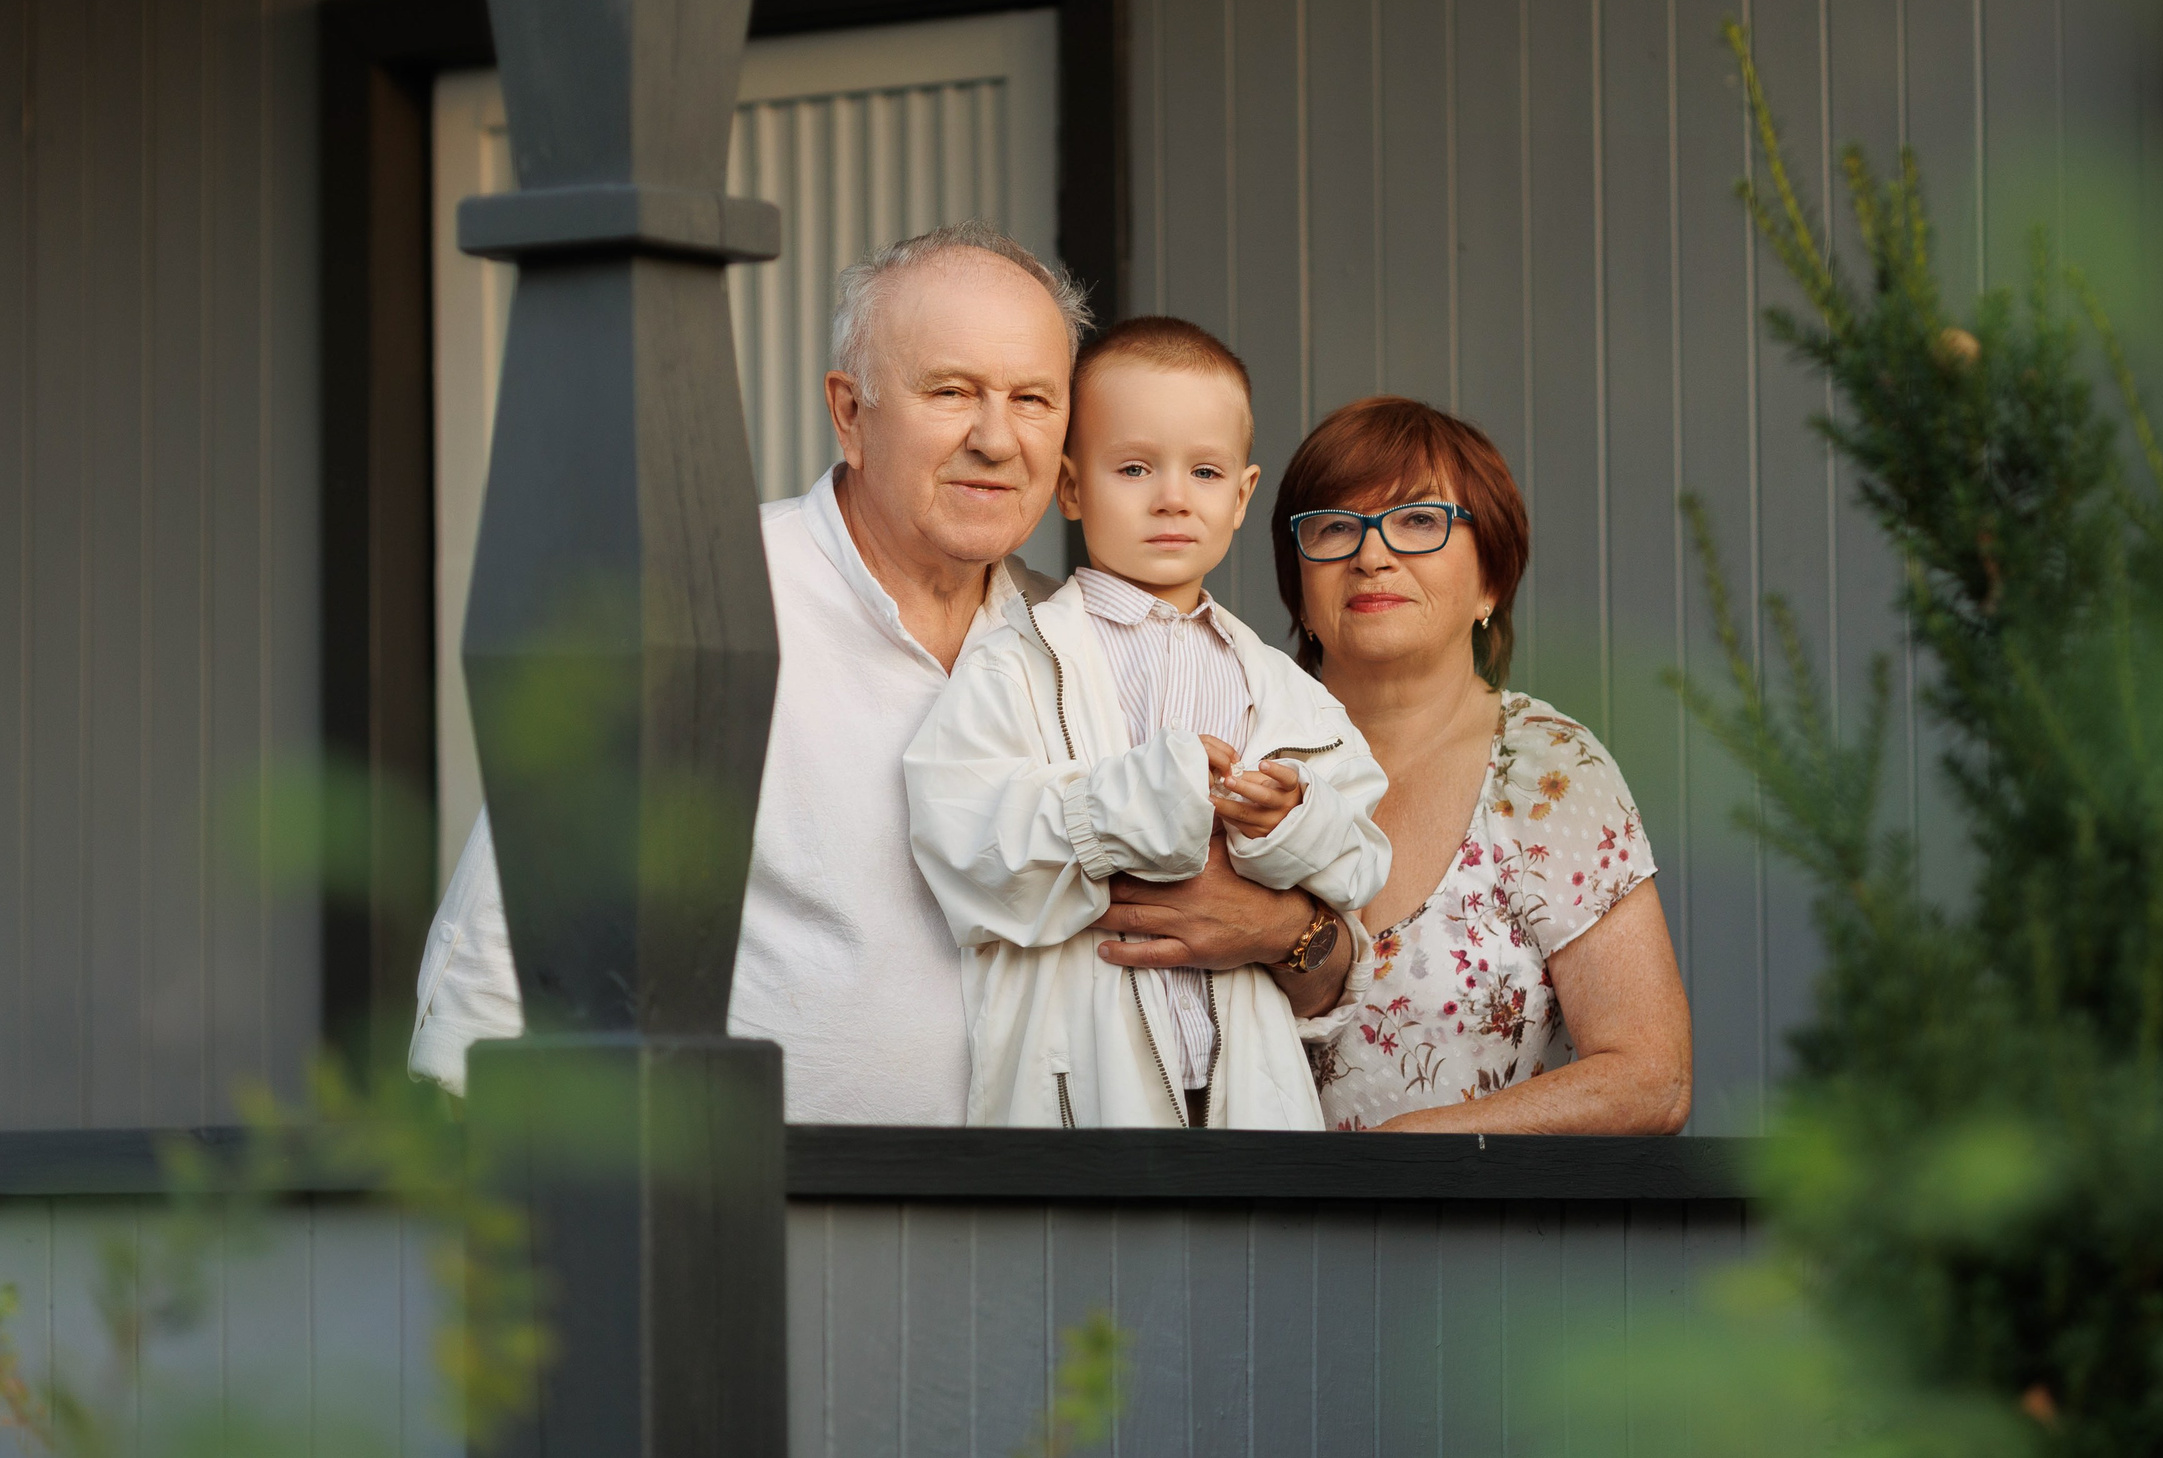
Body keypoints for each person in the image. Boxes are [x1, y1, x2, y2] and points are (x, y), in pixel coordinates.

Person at [407, 224, 1363, 1123]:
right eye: (951, 392)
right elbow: (506, 943)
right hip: (759, 1210)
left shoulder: (1079, 638)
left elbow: (1294, 959)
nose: (997, 438)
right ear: (849, 412)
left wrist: (1286, 932)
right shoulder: (701, 602)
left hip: (1039, 1219)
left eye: (1032, 399)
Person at [905, 319, 1390, 1127]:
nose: (1171, 497)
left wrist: (1291, 824)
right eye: (1133, 467)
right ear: (1070, 487)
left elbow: (1361, 859)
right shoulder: (1014, 664)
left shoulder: (1283, 689)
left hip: (1249, 1102)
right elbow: (967, 847)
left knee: (1248, 1257)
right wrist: (1141, 800)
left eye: (1204, 471)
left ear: (1241, 496)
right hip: (1081, 1098)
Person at [1275, 396, 1693, 1133]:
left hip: (1462, 1242)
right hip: (1224, 1239)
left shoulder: (1547, 771)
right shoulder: (1237, 748)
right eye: (1336, 527)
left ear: (1491, 583)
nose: (1372, 555)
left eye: (1418, 521)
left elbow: (1650, 1079)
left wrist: (1411, 1153)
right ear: (1300, 591)